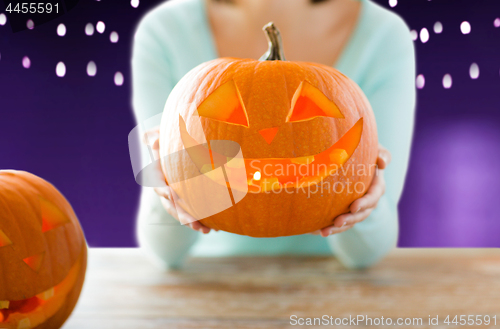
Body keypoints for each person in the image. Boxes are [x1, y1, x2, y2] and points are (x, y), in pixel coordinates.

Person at [132, 0, 415, 269]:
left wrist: (364, 201)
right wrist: (170, 188)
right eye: (231, 114)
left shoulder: (384, 36)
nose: (268, 134)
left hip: (333, 293)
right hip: (213, 287)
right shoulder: (164, 31)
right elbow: (163, 249)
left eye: (309, 112)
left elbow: (370, 252)